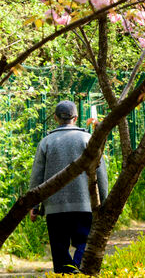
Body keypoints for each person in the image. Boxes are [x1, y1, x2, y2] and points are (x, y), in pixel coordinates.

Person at [30, 100, 108, 274]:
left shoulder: (46, 142)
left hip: (54, 207)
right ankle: (80, 271)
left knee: (59, 248)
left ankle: (68, 273)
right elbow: (100, 171)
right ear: (76, 117)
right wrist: (104, 200)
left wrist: (34, 206)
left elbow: (37, 176)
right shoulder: (88, 139)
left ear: (56, 118)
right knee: (84, 243)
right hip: (85, 204)